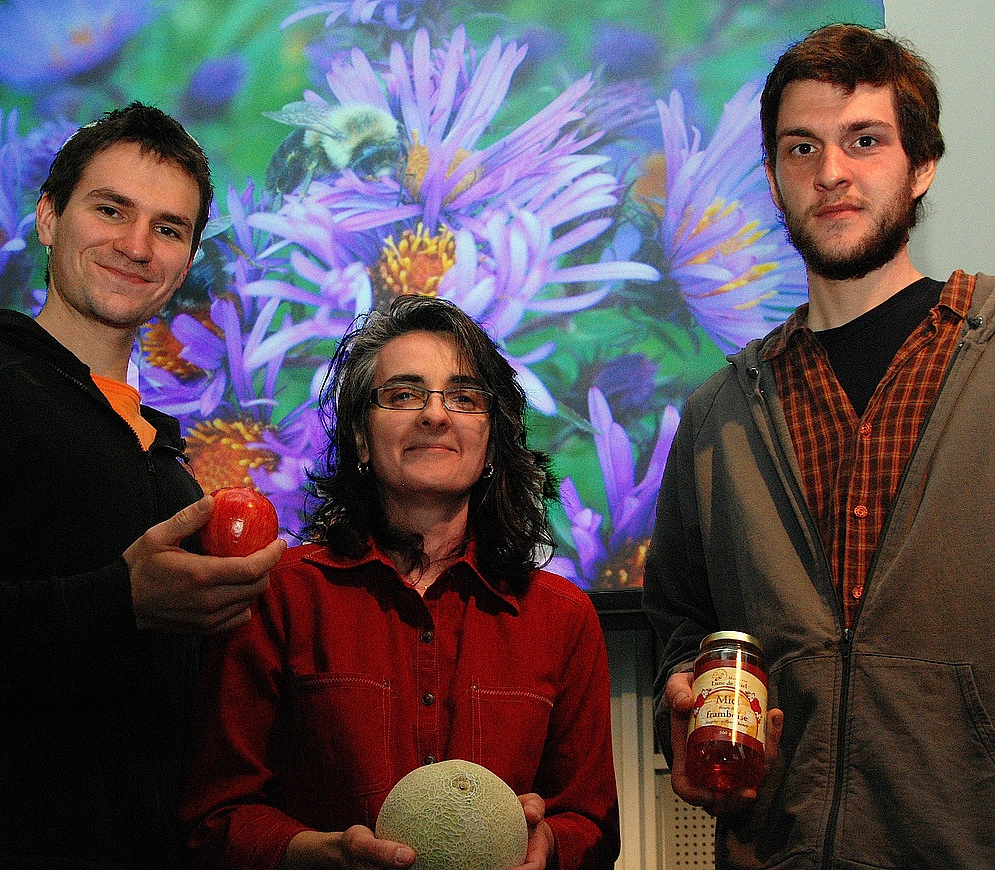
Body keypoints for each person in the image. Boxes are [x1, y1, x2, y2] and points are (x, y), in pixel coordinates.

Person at [643, 22, 995, 869]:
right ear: (772, 179)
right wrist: (679, 705)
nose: (831, 171)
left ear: (922, 164)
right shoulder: (718, 415)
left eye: (864, 141)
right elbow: (681, 627)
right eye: (802, 147)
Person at [180, 294, 620, 870]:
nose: (435, 415)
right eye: (404, 395)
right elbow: (215, 817)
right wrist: (320, 854)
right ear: (362, 440)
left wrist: (550, 844)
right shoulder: (281, 596)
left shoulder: (563, 617)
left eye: (464, 398)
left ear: (490, 444)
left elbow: (592, 823)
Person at [0, 103, 285, 869]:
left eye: (168, 228)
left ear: (186, 262)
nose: (135, 245)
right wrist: (120, 602)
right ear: (48, 218)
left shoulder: (165, 461)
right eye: (111, 210)